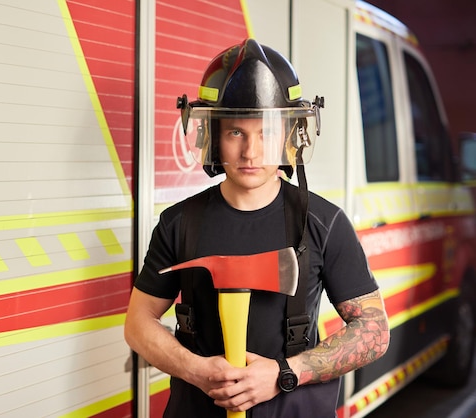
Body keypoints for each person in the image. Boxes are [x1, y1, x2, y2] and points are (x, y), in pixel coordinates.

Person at [124, 38, 390, 418]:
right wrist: (197, 371)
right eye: (236, 132)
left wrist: (285, 373)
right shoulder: (178, 224)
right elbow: (138, 323)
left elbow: (375, 331)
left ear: (289, 136)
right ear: (212, 136)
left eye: (266, 132)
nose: (250, 152)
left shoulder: (323, 223)